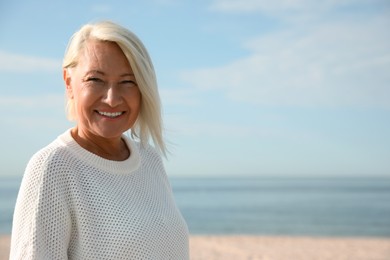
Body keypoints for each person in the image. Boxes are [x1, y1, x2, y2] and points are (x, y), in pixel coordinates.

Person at [9, 21, 189, 259]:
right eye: (95, 80)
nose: (112, 99)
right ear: (69, 82)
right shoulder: (52, 168)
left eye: (128, 81)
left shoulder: (149, 159)